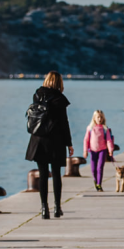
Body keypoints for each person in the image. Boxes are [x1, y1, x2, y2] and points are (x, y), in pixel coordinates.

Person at [26, 71, 74, 219]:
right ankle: (57, 208)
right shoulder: (59, 99)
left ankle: (44, 209)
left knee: (42, 174)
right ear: (59, 82)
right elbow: (64, 123)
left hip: (38, 139)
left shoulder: (37, 95)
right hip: (55, 140)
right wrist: (69, 144)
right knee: (56, 174)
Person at [83, 110, 114, 192]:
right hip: (93, 150)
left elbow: (108, 140)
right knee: (93, 169)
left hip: (102, 150)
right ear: (94, 118)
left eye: (101, 117)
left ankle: (99, 184)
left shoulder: (105, 129)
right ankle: (95, 180)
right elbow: (86, 140)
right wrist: (85, 150)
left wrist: (110, 150)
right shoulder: (90, 128)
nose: (99, 119)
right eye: (98, 117)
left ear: (103, 118)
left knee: (100, 168)